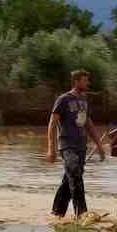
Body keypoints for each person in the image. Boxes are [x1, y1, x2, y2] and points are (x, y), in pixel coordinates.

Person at [46, 69, 107, 219]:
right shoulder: (64, 99)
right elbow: (52, 123)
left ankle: (57, 211)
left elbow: (88, 123)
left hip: (81, 146)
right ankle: (82, 213)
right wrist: (51, 149)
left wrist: (99, 144)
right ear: (76, 81)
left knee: (70, 178)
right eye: (85, 80)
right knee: (75, 174)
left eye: (87, 80)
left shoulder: (84, 99)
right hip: (67, 145)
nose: (87, 83)